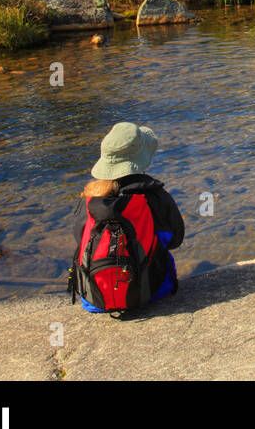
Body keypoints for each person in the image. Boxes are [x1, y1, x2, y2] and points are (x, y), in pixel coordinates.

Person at [68, 123, 185, 313]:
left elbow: (79, 238)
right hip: (153, 291)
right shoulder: (154, 195)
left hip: (95, 298)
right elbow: (175, 239)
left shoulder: (90, 198)